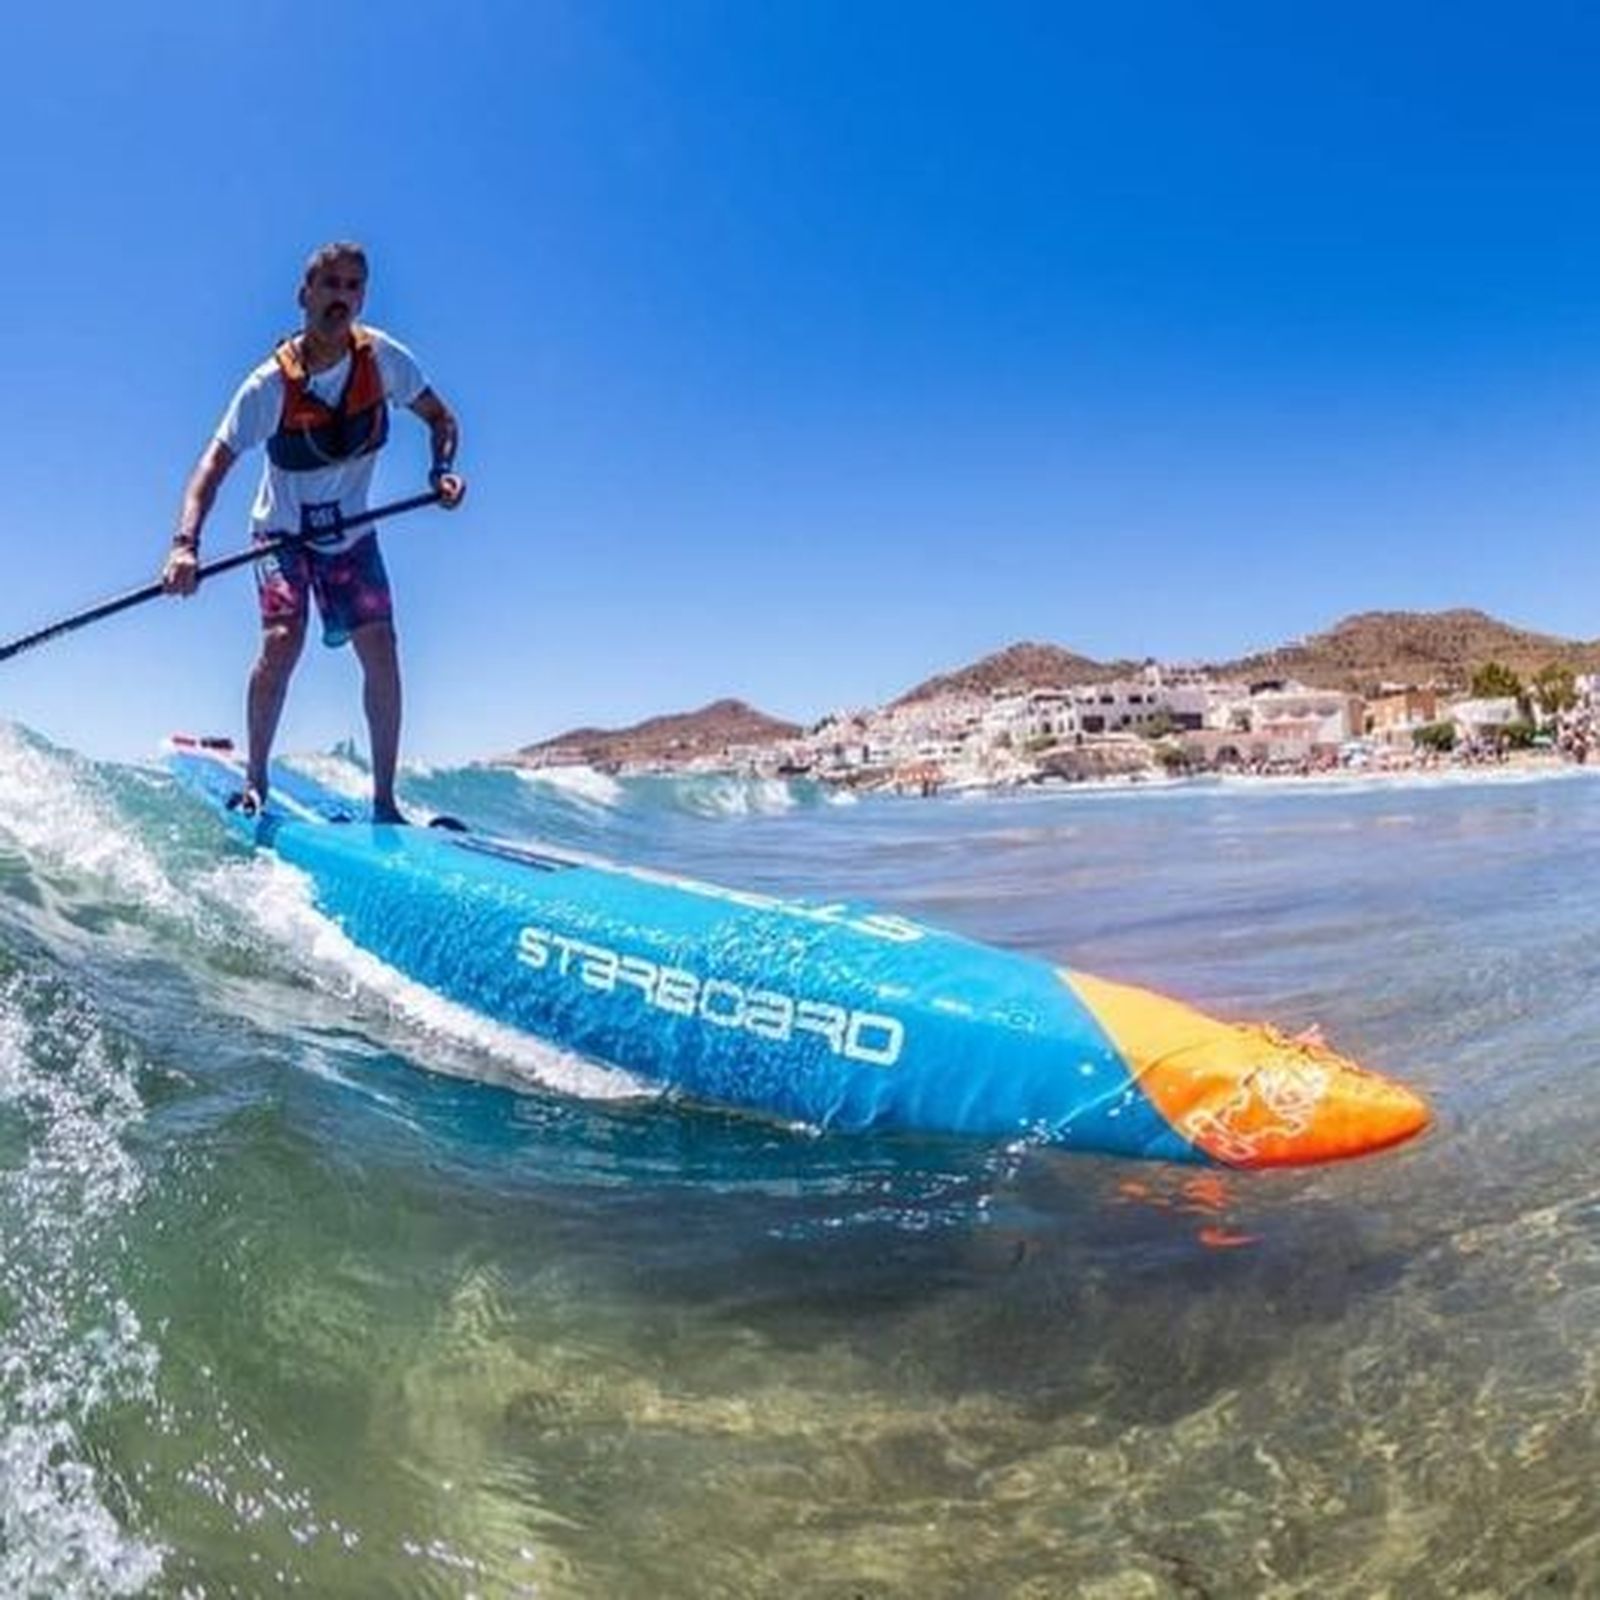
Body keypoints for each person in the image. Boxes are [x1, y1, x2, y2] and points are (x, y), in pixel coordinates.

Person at [161, 240, 465, 822]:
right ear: (305, 295)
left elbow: (441, 419)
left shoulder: (385, 362)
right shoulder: (268, 387)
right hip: (282, 535)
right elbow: (211, 467)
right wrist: (185, 545)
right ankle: (256, 783)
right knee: (281, 644)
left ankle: (384, 803)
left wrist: (442, 472)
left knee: (383, 648)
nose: (342, 298)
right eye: (331, 285)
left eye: (354, 287)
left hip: (352, 536)